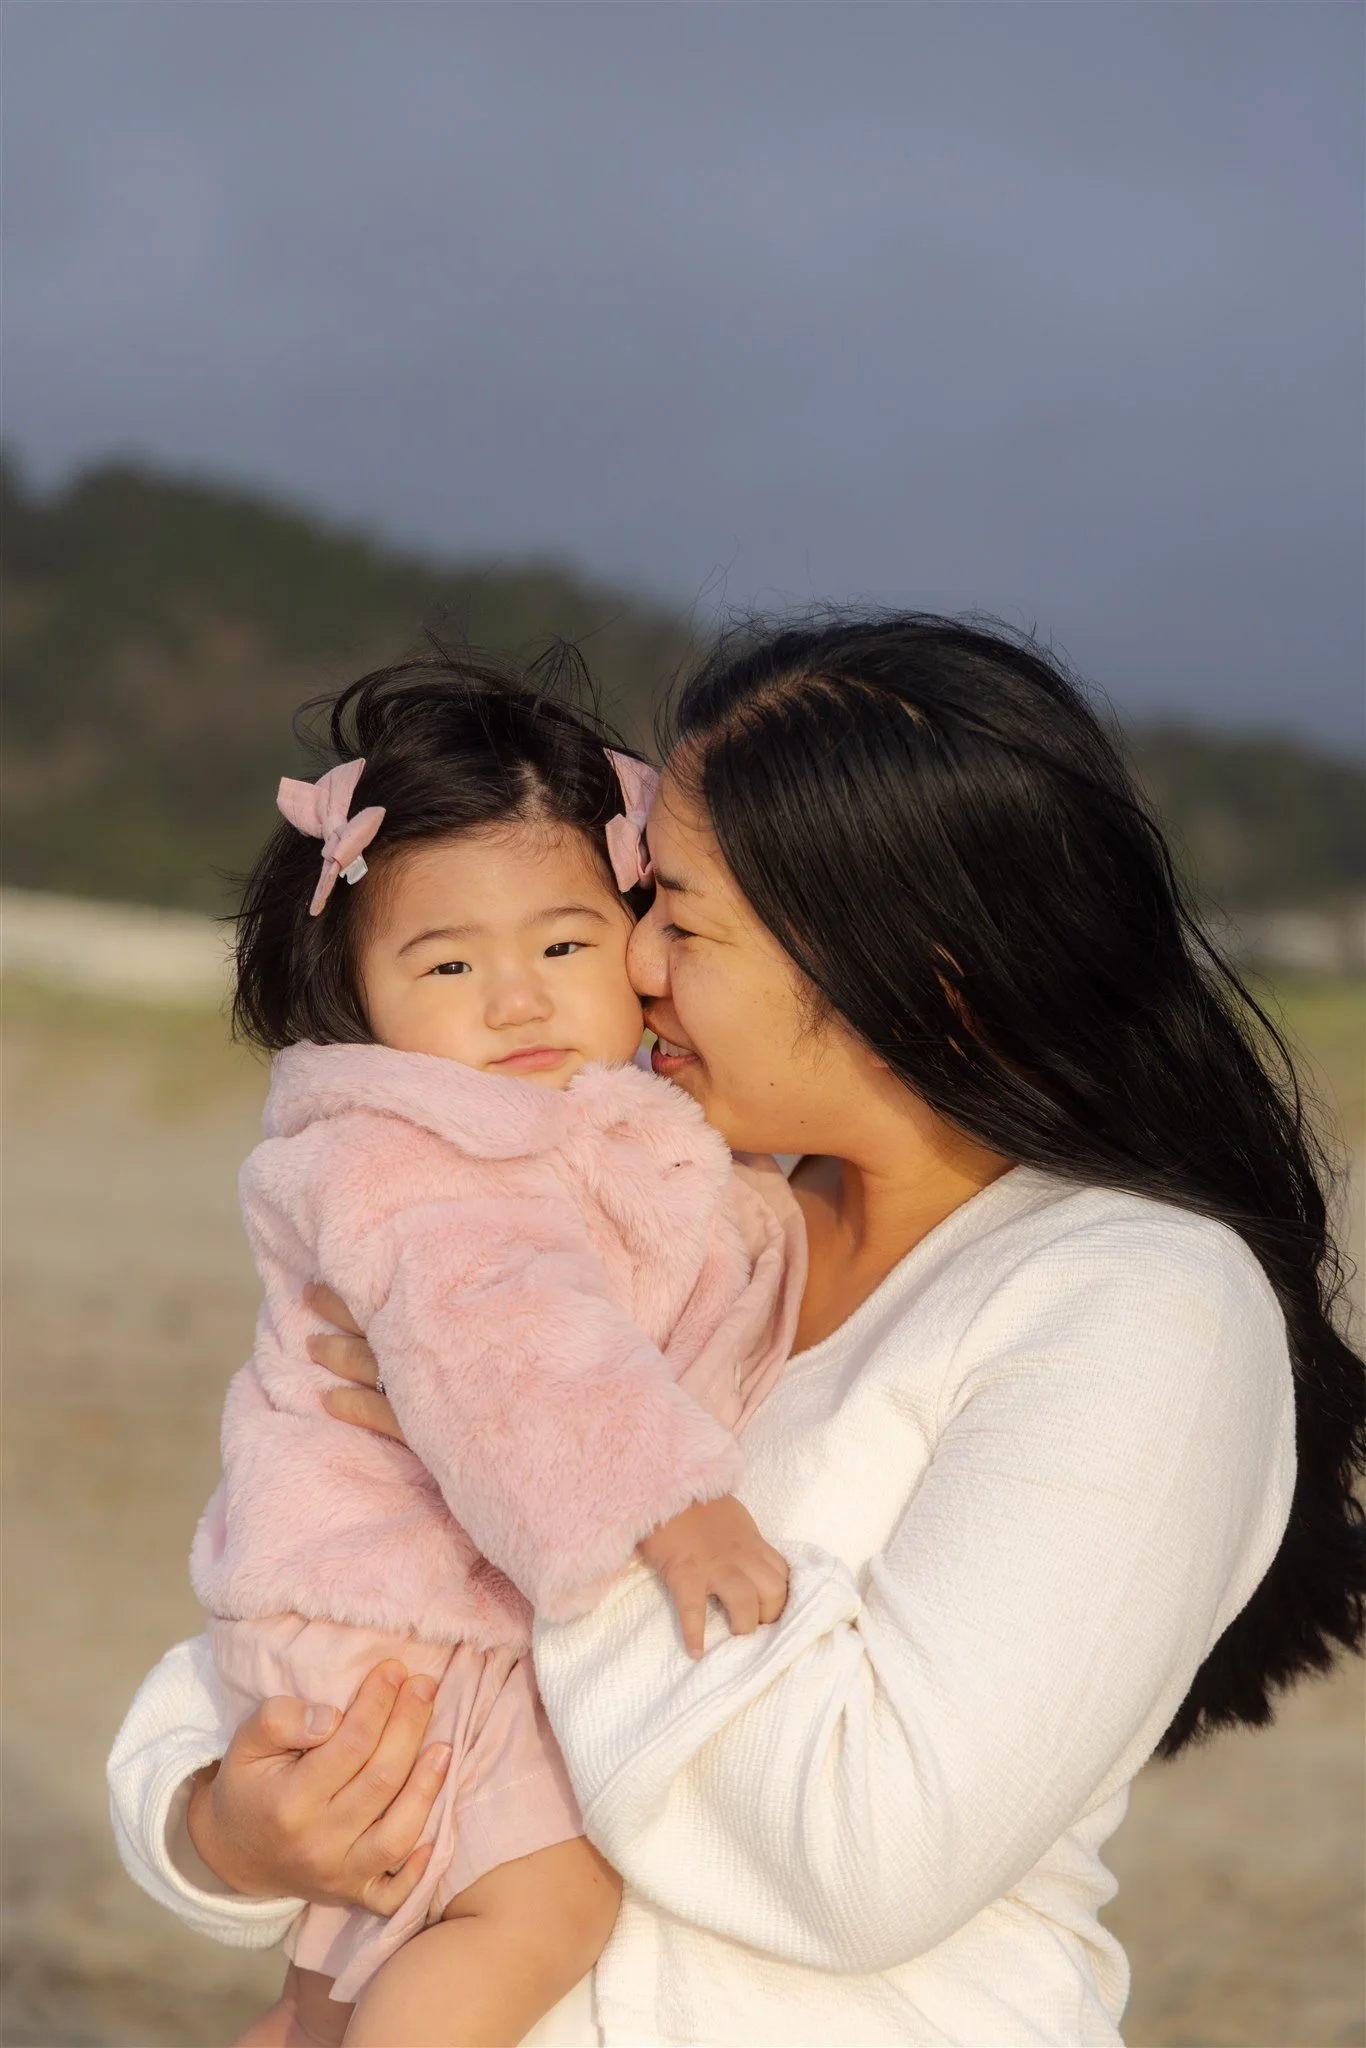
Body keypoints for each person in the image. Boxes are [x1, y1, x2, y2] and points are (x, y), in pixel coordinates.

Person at [110, 615, 1365, 2047]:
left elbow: (863, 1855)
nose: (632, 965)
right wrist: (219, 1828)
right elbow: (311, 1587)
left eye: (682, 920)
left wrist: (535, 1475)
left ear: (910, 964)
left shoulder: (1130, 1306)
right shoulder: (686, 1215)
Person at [170, 652, 804, 2047]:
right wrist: (674, 1508)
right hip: (407, 1622)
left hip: (365, 1613)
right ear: (354, 988)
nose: (516, 999)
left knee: (339, 1972)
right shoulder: (416, 1163)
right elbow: (517, 1347)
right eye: (448, 963)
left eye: (562, 947)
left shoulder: (568, 1123)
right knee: (536, 1905)